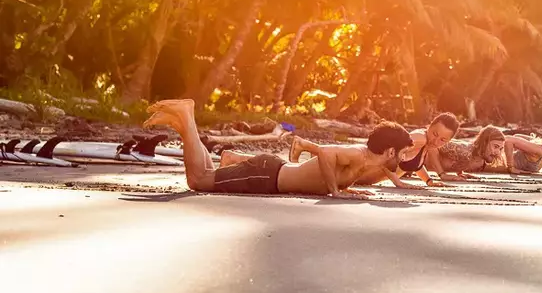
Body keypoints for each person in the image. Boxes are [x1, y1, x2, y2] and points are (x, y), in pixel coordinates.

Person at [143, 99, 412, 198]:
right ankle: (187, 116)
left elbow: (331, 168)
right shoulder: (358, 155)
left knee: (207, 172)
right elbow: (326, 154)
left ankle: (182, 124)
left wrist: (343, 187)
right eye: (401, 153)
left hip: (269, 173)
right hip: (267, 176)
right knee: (198, 181)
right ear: (390, 152)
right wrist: (333, 192)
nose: (402, 159)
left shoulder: (365, 162)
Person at [288, 112, 458, 186]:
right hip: (366, 172)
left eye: (443, 139)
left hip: (369, 175)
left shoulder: (427, 144)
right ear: (430, 126)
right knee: (336, 165)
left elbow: (416, 164)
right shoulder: (419, 138)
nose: (436, 140)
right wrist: (397, 182)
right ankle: (305, 147)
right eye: (435, 133)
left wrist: (428, 181)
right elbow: (391, 154)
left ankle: (305, 146)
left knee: (336, 163)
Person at [434, 126, 508, 176]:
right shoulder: (464, 151)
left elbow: (458, 159)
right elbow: (432, 146)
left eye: (500, 148)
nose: (498, 152)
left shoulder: (479, 161)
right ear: (484, 143)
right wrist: (442, 174)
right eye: (495, 146)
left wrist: (460, 172)